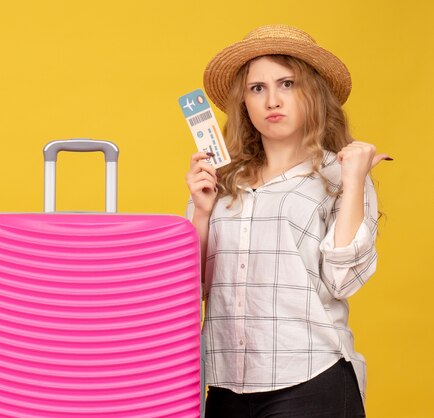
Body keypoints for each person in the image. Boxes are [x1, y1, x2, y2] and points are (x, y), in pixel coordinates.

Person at [185, 25, 390, 417]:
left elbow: (342, 280)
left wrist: (352, 183)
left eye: (287, 83)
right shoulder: (222, 180)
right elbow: (192, 288)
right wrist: (200, 212)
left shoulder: (341, 172)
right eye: (257, 88)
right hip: (225, 382)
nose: (272, 100)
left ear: (312, 93)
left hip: (311, 378)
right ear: (243, 102)